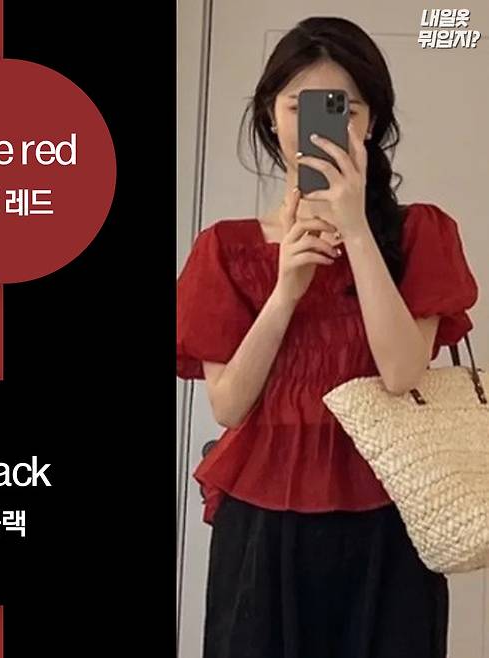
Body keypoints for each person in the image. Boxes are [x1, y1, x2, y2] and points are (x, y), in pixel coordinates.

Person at [176, 16, 479, 658]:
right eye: (299, 105)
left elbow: (401, 374)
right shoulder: (225, 249)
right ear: (270, 116)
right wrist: (285, 290)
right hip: (262, 518)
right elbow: (228, 405)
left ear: (370, 122)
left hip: (393, 511)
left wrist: (356, 230)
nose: (320, 126)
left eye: (345, 107)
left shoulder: (420, 233)